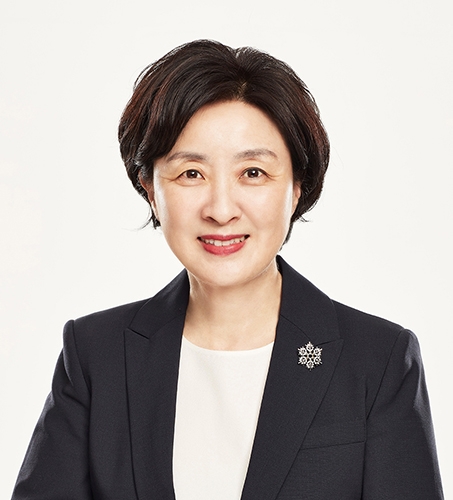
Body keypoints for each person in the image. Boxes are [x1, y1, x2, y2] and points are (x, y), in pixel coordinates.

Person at [12, 40, 443, 500]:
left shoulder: (377, 361)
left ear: (297, 187)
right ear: (151, 190)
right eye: (191, 174)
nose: (221, 210)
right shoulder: (95, 356)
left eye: (253, 172)